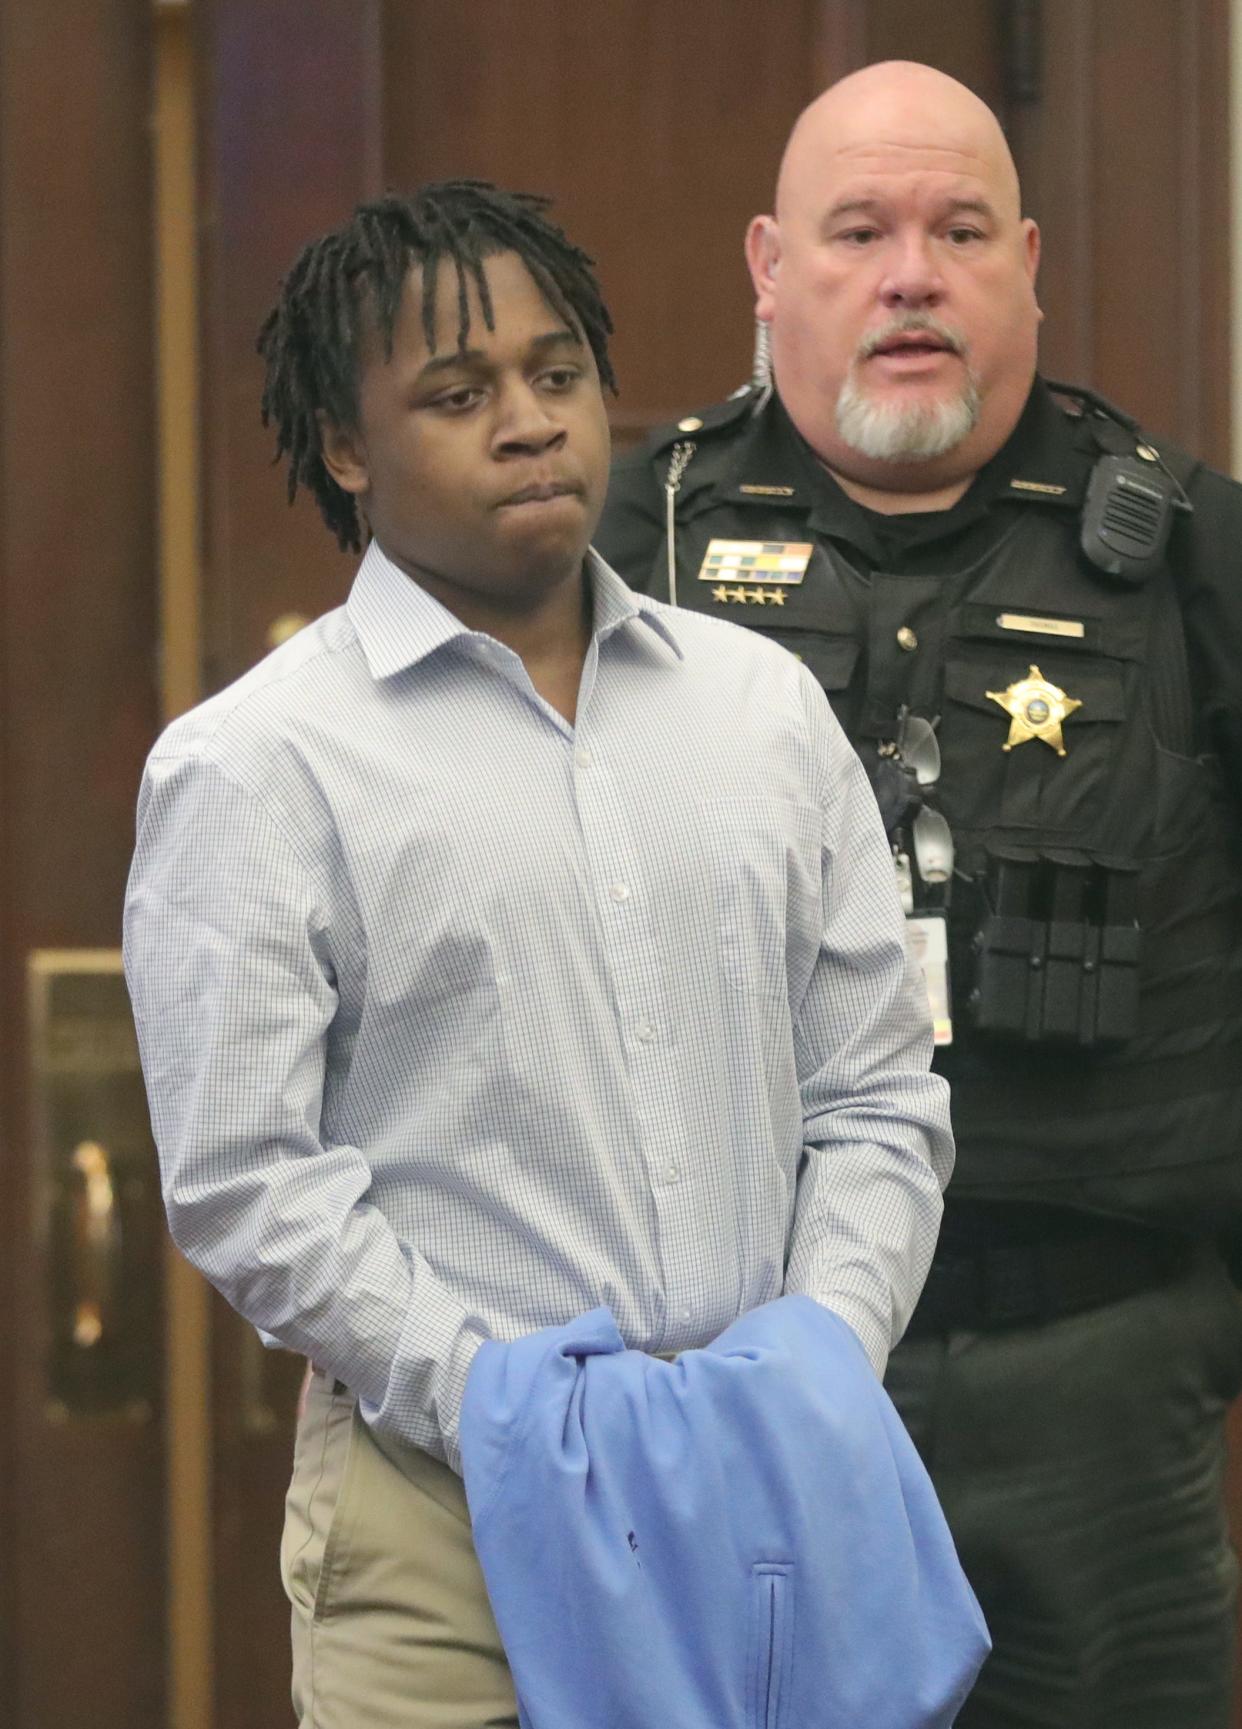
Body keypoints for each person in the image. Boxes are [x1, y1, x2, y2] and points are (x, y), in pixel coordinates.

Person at [122, 180, 954, 1729]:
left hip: (769, 1479)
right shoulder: (256, 763)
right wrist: (511, 1408)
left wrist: (814, 1359)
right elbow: (247, 1176)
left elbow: (875, 1092)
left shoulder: (760, 709)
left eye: (555, 374)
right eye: (458, 392)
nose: (529, 422)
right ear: (348, 447)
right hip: (452, 1519)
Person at [596, 58, 1242, 1729]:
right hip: (719, 1383)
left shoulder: (1194, 562)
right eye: (858, 230)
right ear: (764, 264)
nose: (909, 275)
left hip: (1092, 1384)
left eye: (959, 231)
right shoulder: (615, 553)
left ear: (1029, 263)